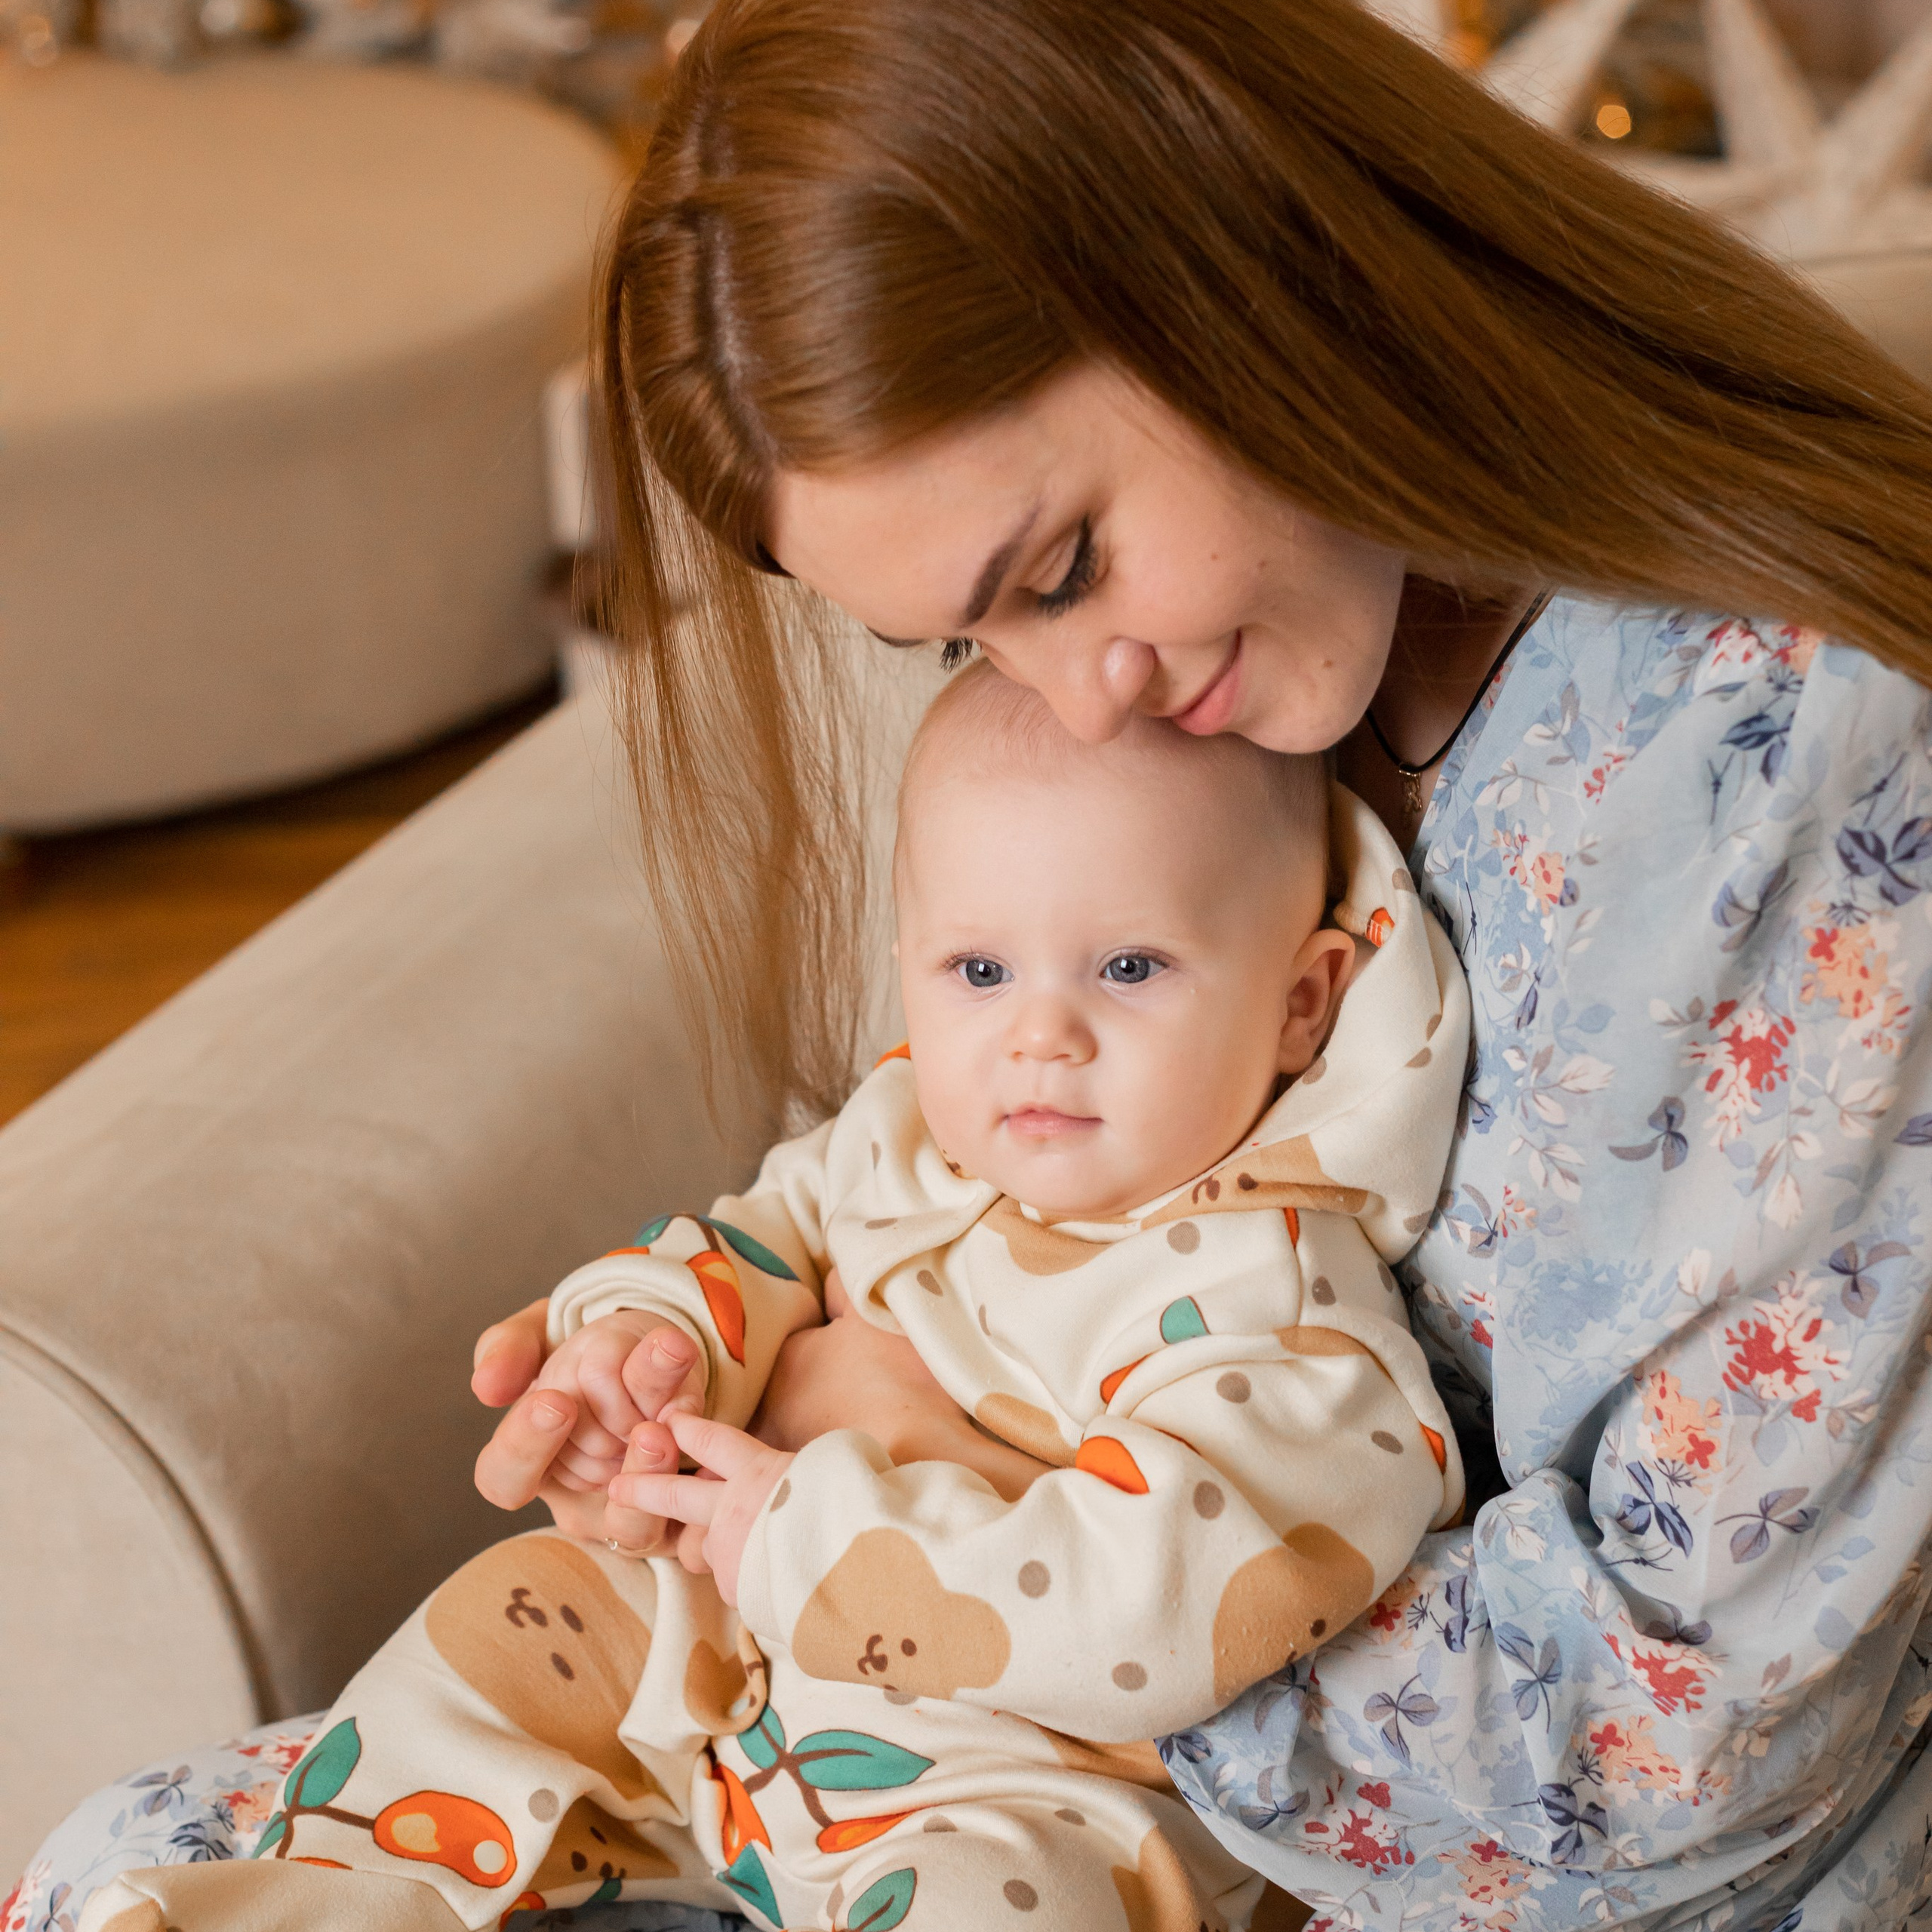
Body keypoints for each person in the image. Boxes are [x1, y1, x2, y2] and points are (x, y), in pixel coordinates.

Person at [20, 0, 1932, 1923]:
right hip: (875, 1685)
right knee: (143, 1855)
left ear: (1226, 258)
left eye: (1062, 569)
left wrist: (936, 1491)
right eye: (968, 645)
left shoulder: (1776, 774)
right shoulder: (1262, 666)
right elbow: (890, 1184)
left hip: (1419, 1852)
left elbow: (1691, 1744)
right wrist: (685, 1351)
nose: (1080, 710)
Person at [82, 666, 1468, 1932]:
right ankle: (325, 1903)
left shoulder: (1281, 1302)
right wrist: (645, 1348)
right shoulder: (909, 1131)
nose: (1041, 1033)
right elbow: (769, 1230)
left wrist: (814, 1542)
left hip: (1020, 1776)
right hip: (723, 1666)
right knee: (505, 1626)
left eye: (1130, 968)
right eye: (979, 972)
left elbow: (1178, 1598)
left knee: (1015, 1903)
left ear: (1301, 1002)